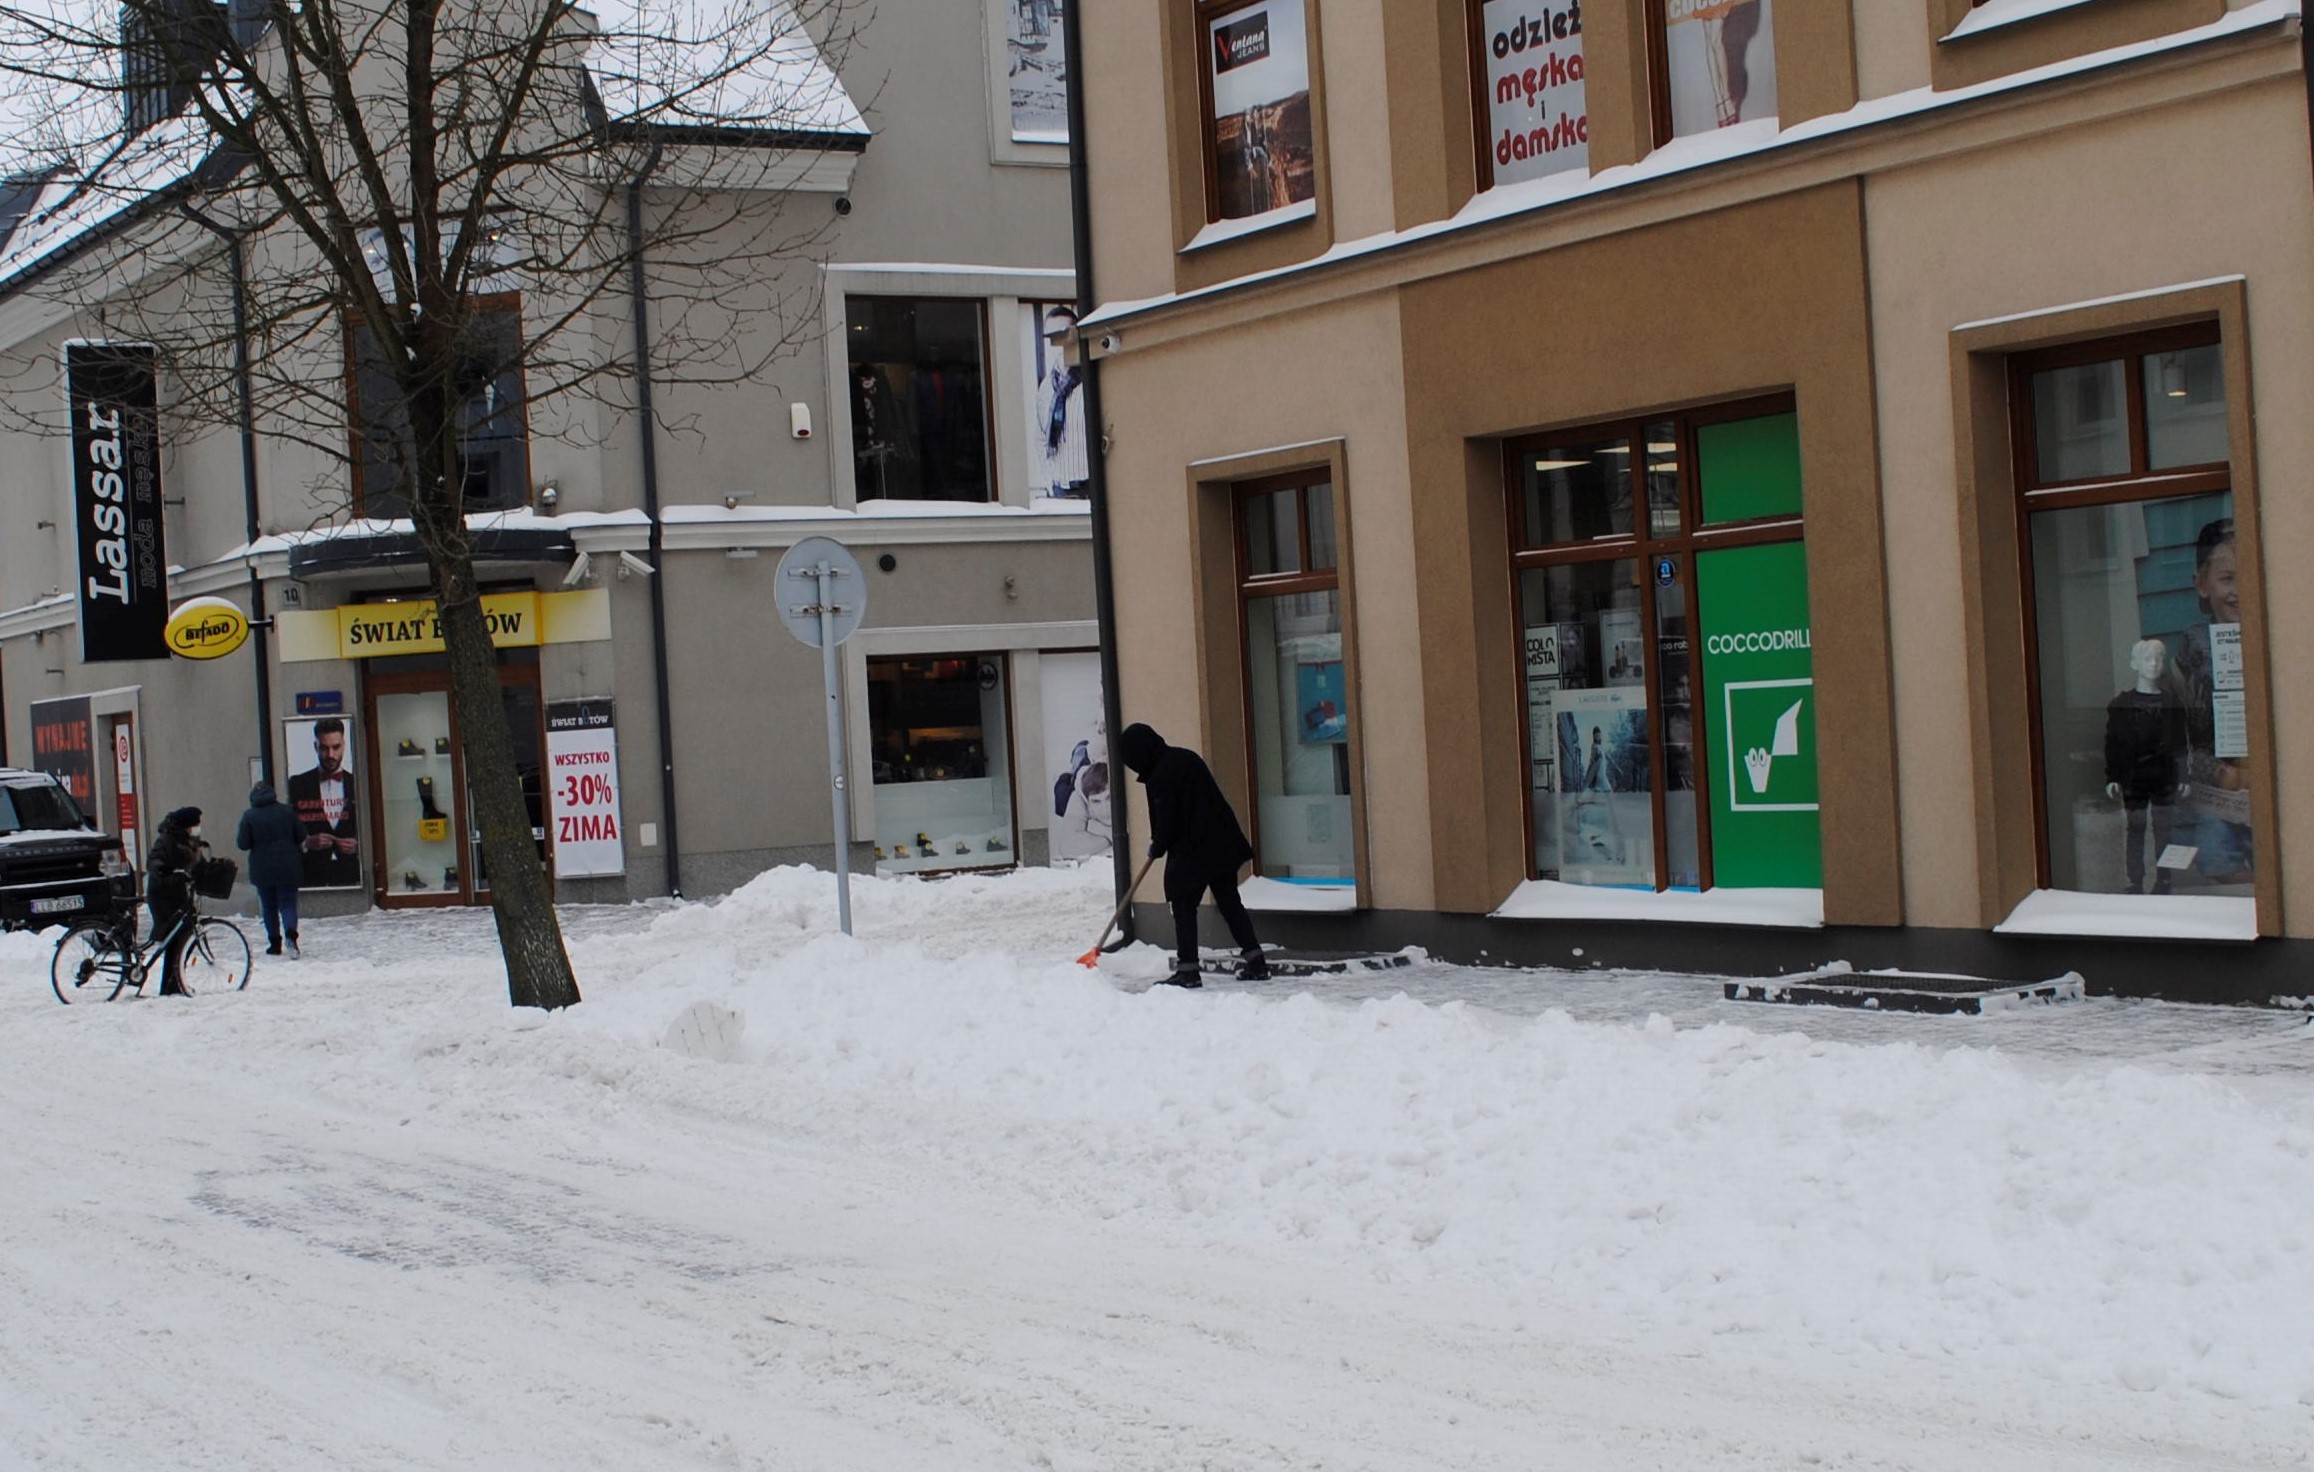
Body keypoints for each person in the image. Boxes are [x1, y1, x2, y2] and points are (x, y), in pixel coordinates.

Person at [1118, 723, 1267, 988]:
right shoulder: (1184, 757)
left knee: (1182, 904)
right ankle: (1256, 961)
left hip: (1193, 848)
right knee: (1230, 903)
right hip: (1220, 842)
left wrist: (1158, 845)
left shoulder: (1160, 775)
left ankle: (1188, 970)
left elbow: (1167, 818)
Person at [288, 717, 360, 887]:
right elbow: (287, 829)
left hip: (351, 874)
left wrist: (359, 846)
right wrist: (306, 842)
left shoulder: (358, 783)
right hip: (310, 875)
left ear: (344, 744)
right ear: (315, 746)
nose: (330, 755)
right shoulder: (297, 784)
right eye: (324, 748)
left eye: (336, 747)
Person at [236, 781, 304, 957]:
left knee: (269, 906)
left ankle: (274, 943)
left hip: (262, 867)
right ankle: (291, 935)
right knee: (288, 903)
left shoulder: (249, 816)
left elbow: (243, 844)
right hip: (288, 866)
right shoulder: (287, 812)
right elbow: (301, 835)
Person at [145, 806, 205, 997]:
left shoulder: (184, 840)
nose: (195, 829)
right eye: (194, 826)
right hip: (163, 896)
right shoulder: (167, 840)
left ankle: (174, 983)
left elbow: (192, 862)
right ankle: (172, 984)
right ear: (186, 826)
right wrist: (173, 876)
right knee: (176, 938)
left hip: (176, 894)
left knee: (181, 938)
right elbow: (155, 866)